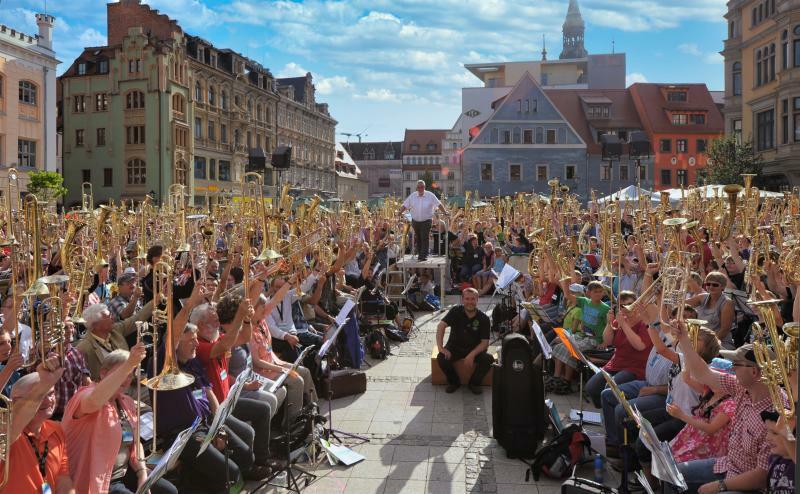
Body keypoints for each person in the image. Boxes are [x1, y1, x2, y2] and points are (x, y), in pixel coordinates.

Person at [666, 322, 785, 494]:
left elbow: (761, 476)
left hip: (749, 485)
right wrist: (684, 339)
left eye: (737, 364)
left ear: (754, 372)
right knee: (673, 474)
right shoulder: (741, 386)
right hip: (728, 464)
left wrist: (721, 486)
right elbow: (703, 373)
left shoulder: (778, 413)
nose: (732, 368)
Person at [62, 346, 177, 494]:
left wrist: (142, 474)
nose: (126, 378)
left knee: (169, 491)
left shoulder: (126, 402)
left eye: (130, 374)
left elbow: (135, 444)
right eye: (121, 372)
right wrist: (129, 363)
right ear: (103, 373)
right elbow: (95, 400)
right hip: (101, 481)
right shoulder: (84, 395)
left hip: (126, 472)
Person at [1, 355, 76, 493]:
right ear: (16, 402)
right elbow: (10, 429)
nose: (49, 401)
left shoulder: (56, 429)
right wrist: (44, 384)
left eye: (51, 393)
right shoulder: (6, 429)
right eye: (41, 396)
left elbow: (63, 478)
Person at [668, 358, 737, 464]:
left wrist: (682, 416)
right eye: (710, 378)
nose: (712, 382)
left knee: (677, 463)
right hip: (693, 438)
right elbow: (686, 378)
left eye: (717, 379)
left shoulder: (730, 403)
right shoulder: (709, 392)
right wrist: (688, 353)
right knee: (669, 458)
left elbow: (710, 429)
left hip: (708, 446)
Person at [435, 288, 493, 394]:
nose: (470, 302)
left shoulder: (484, 318)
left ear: (477, 300)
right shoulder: (455, 311)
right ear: (462, 300)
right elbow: (441, 326)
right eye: (467, 299)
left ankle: (474, 383)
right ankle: (454, 382)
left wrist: (471, 355)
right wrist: (441, 347)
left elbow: (485, 343)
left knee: (488, 359)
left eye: (472, 299)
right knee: (441, 358)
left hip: (474, 349)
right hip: (455, 347)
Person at [77, 300, 153, 381]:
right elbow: (85, 380)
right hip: (108, 390)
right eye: (108, 316)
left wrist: (155, 300)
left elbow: (137, 318)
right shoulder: (84, 348)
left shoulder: (115, 330)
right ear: (96, 325)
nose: (112, 318)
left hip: (130, 382)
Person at [399, 180, 448, 261]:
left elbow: (438, 204)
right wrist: (399, 212)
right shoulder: (412, 196)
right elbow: (405, 205)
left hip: (426, 220)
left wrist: (445, 212)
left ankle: (423, 255)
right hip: (415, 221)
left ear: (424, 187)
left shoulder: (430, 195)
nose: (420, 188)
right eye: (418, 187)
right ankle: (420, 254)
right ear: (417, 188)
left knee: (424, 237)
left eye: (422, 187)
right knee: (418, 238)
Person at [685, 271, 735, 349]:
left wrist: (709, 345)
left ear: (723, 287)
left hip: (720, 343)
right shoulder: (702, 297)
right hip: (702, 342)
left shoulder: (727, 303)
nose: (711, 287)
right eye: (708, 284)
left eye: (715, 285)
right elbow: (681, 305)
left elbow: (725, 330)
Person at [53, 319, 91, 420]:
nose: (71, 330)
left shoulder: (77, 353)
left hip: (72, 413)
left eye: (72, 326)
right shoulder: (44, 353)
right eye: (65, 327)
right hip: (50, 414)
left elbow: (86, 381)